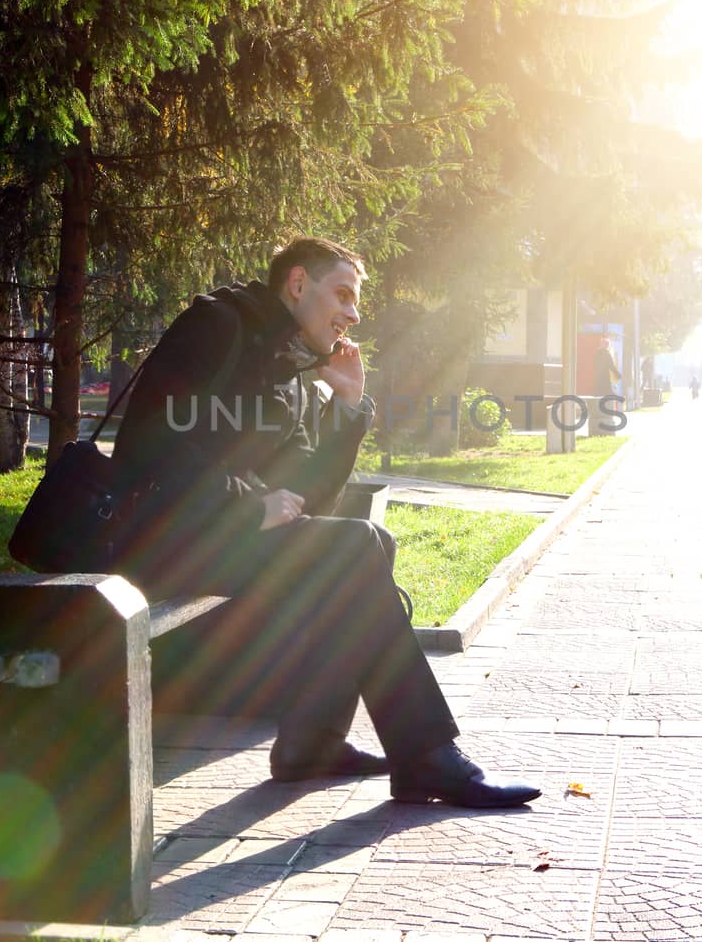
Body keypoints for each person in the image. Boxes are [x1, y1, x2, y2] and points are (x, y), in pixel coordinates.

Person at [110, 236, 539, 808]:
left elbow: (313, 499)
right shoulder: (217, 327)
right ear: (296, 284)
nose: (353, 314)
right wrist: (246, 506)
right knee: (357, 545)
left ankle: (313, 742)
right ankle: (425, 755)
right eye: (341, 293)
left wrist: (348, 407)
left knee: (370, 542)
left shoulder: (290, 368)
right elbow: (149, 447)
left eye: (355, 301)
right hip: (155, 537)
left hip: (221, 539)